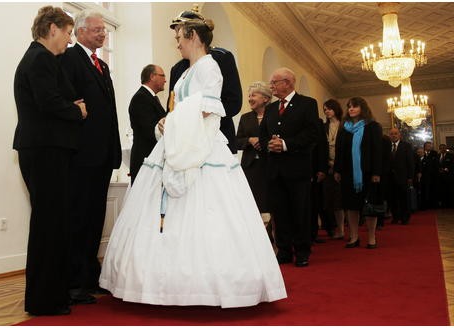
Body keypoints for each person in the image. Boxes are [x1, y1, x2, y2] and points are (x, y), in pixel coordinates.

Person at [99, 14, 286, 308]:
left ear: (194, 37)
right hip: (181, 139)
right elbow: (181, 108)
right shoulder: (188, 71)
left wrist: (173, 123)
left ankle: (208, 284)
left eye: (179, 38)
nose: (177, 44)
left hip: (201, 145)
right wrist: (167, 121)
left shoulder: (210, 67)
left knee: (209, 212)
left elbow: (209, 110)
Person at [13, 6, 87, 315]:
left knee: (52, 223)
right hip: (44, 149)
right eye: (69, 33)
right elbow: (49, 101)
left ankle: (52, 295)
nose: (69, 41)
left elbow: (59, 96)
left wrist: (69, 103)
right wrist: (77, 111)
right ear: (52, 28)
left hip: (45, 148)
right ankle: (46, 301)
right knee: (49, 225)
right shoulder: (40, 58)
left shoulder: (43, 59)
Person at [60, 9, 122, 303]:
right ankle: (73, 281)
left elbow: (108, 112)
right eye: (97, 29)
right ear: (80, 31)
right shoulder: (69, 60)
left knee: (95, 218)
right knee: (78, 217)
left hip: (102, 155)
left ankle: (89, 275)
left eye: (104, 30)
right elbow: (73, 105)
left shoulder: (103, 66)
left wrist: (114, 149)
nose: (103, 34)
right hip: (82, 155)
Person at [259, 67, 320, 267]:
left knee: (299, 211)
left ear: (287, 82)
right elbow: (263, 134)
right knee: (280, 212)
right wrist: (269, 143)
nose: (271, 86)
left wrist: (285, 144)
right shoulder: (269, 108)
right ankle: (284, 250)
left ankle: (302, 251)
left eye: (274, 82)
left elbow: (312, 134)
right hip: (275, 170)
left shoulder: (307, 104)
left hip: (297, 169)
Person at [168, 8, 242, 154]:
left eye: (180, 34)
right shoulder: (177, 69)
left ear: (193, 35)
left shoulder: (221, 59)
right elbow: (172, 105)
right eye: (176, 35)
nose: (178, 41)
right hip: (183, 141)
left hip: (215, 137)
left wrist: (204, 121)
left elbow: (233, 102)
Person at [334, 97, 382, 249]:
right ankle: (354, 237)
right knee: (351, 206)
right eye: (349, 107)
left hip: (367, 173)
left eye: (355, 106)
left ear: (363, 108)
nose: (351, 109)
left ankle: (371, 237)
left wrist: (376, 172)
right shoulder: (344, 128)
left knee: (369, 207)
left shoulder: (373, 126)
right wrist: (337, 170)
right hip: (348, 174)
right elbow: (339, 151)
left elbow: (377, 151)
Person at [236, 82, 272, 232]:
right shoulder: (245, 118)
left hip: (270, 166)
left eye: (254, 95)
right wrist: (250, 140)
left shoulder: (274, 115)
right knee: (253, 205)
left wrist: (264, 141)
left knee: (270, 204)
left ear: (265, 98)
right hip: (250, 168)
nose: (250, 98)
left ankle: (274, 240)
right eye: (249, 95)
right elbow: (237, 141)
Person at [128, 64, 167, 185]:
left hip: (151, 159)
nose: (165, 80)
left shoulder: (150, 97)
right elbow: (150, 130)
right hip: (145, 160)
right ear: (152, 76)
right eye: (162, 76)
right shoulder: (140, 98)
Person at [322, 99, 345, 239]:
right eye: (325, 109)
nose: (327, 111)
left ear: (335, 109)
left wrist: (338, 166)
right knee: (333, 201)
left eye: (329, 108)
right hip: (328, 167)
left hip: (342, 166)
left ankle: (344, 228)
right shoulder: (324, 126)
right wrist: (328, 164)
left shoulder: (345, 125)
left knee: (343, 200)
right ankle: (337, 229)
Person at [388, 128, 415, 225]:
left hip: (403, 177)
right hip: (390, 178)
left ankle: (405, 218)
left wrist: (410, 177)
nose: (394, 135)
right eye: (391, 134)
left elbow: (410, 162)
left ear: (399, 135)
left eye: (395, 133)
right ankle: (395, 217)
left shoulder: (406, 146)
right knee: (392, 199)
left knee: (404, 199)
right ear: (389, 135)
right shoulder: (386, 146)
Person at [437, 144, 454, 208]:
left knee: (450, 191)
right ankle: (444, 204)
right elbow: (436, 165)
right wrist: (439, 169)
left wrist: (445, 169)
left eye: (444, 148)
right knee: (442, 191)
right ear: (439, 149)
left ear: (446, 148)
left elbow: (453, 165)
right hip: (440, 177)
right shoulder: (438, 156)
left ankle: (451, 204)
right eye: (441, 148)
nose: (442, 149)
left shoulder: (451, 156)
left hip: (449, 177)